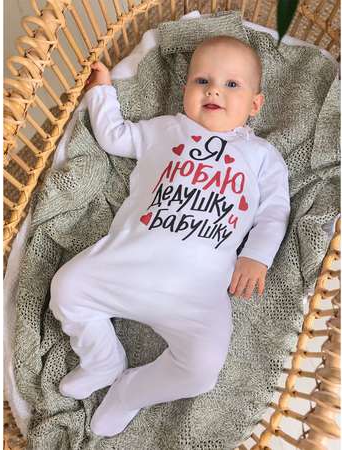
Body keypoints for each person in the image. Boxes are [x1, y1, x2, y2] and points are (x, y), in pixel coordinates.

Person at [49, 35, 290, 437]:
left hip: (195, 295)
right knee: (67, 288)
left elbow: (274, 211)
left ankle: (131, 392)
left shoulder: (262, 157)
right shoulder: (166, 130)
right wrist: (101, 91)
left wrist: (257, 256)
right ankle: (102, 359)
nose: (214, 90)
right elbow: (115, 136)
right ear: (185, 91)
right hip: (126, 265)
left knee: (202, 369)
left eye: (232, 84)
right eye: (202, 81)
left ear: (255, 105)